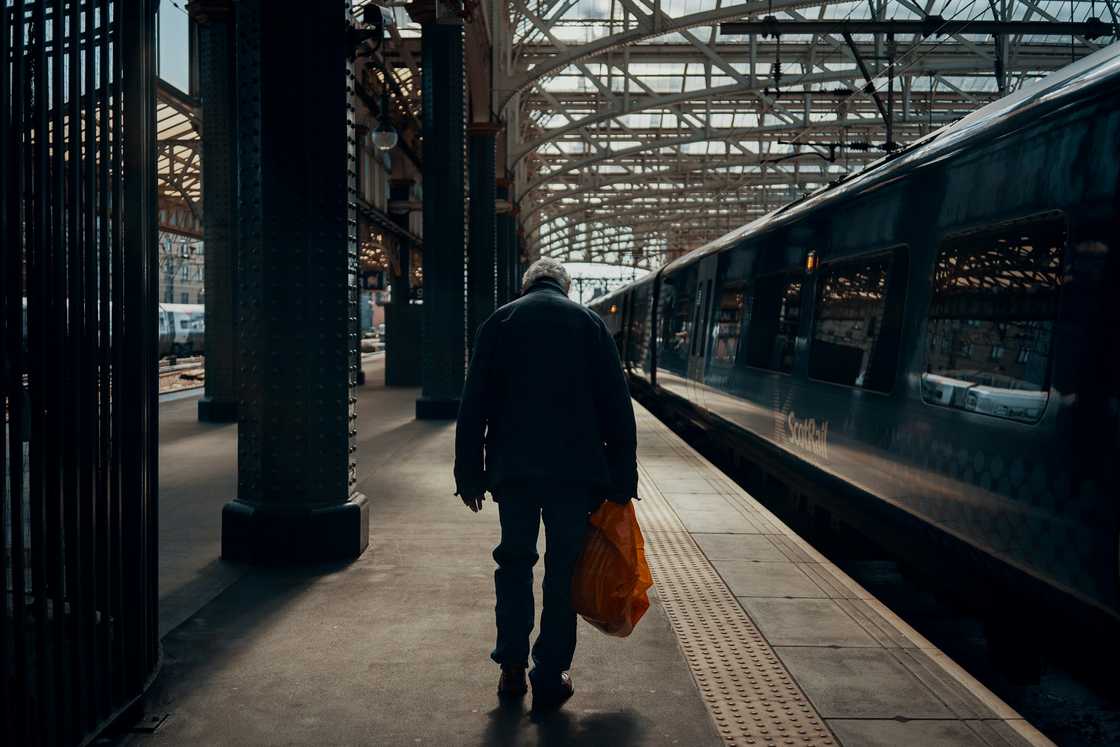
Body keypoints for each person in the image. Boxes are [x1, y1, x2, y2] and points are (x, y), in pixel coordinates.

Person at [454, 257, 638, 709]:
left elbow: (473, 404)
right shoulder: (590, 324)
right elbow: (618, 408)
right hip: (574, 477)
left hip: (514, 473)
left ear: (527, 286)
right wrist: (622, 480)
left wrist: (469, 474)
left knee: (514, 563)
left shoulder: (500, 322)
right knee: (563, 572)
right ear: (565, 287)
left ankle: (511, 668)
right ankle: (550, 674)